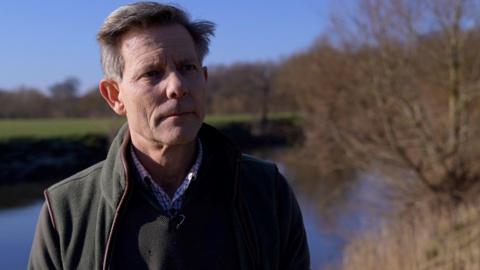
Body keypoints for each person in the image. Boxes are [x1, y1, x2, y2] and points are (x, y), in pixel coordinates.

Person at [28, 2, 310, 269]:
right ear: (115, 96)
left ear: (204, 80)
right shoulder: (66, 211)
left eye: (188, 68)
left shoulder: (267, 191)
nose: (177, 86)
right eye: (152, 73)